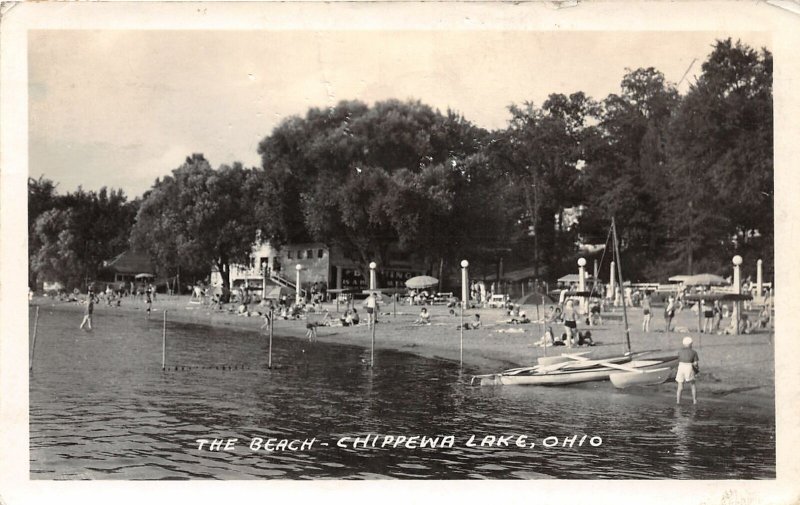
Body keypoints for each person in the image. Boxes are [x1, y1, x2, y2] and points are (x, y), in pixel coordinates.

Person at [676, 336, 699, 405]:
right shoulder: (694, 352)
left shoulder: (679, 352)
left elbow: (678, 360)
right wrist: (696, 369)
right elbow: (695, 363)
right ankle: (694, 401)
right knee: (692, 384)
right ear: (691, 344)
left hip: (681, 367)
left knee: (680, 386)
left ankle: (678, 402)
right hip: (689, 367)